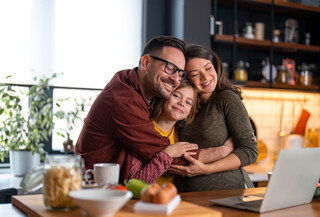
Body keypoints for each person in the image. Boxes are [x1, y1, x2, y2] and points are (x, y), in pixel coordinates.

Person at [75, 36, 232, 184]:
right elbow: (167, 155)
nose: (176, 79)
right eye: (170, 68)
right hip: (97, 191)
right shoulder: (124, 101)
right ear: (146, 62)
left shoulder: (129, 82)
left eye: (180, 73)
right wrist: (225, 150)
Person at [169, 44, 258, 192]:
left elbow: (250, 151)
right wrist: (222, 150)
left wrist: (206, 169)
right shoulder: (182, 106)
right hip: (189, 198)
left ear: (216, 66)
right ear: (186, 78)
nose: (205, 77)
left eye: (208, 68)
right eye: (195, 74)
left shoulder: (226, 99)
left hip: (230, 194)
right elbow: (172, 154)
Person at [129, 81, 198, 184]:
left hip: (172, 198)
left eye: (188, 102)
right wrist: (168, 153)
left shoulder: (181, 136)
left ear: (189, 113)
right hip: (145, 197)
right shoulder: (143, 130)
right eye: (176, 96)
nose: (182, 103)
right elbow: (135, 182)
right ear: (165, 96)